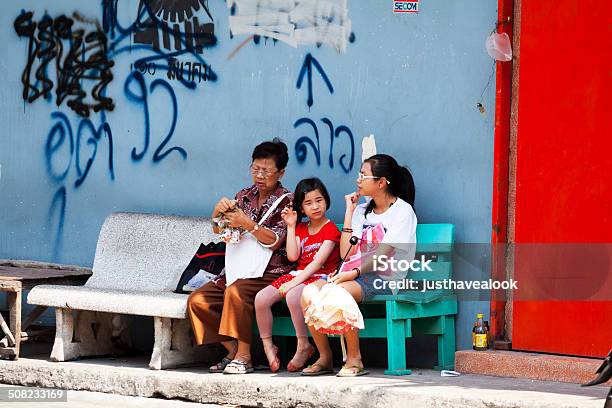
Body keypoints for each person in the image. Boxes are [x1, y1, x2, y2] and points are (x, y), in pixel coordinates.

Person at [300, 154, 417, 376]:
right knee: (307, 293)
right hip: (352, 274)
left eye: (364, 175)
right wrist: (349, 211)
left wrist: (350, 274)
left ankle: (355, 359)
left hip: (384, 278)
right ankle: (325, 357)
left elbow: (383, 256)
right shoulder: (363, 210)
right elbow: (345, 252)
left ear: (381, 182)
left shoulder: (402, 212)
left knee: (339, 292)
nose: (358, 179)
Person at [187, 139, 293, 374]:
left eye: (266, 170)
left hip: (270, 272)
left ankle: (244, 357)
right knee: (198, 301)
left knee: (237, 292)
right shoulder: (242, 196)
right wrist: (217, 214)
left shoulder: (287, 200)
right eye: (256, 169)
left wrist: (249, 224)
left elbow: (276, 241)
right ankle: (234, 350)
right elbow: (225, 234)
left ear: (281, 172)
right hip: (237, 268)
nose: (260, 175)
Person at [254, 178, 341, 372]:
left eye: (319, 200)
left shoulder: (331, 229)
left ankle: (303, 344)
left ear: (326, 200)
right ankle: (268, 346)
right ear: (301, 207)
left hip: (321, 277)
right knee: (261, 299)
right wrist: (291, 227)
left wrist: (293, 283)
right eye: (308, 203)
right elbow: (293, 256)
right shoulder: (301, 228)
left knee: (294, 296)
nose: (315, 207)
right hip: (299, 274)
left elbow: (318, 263)